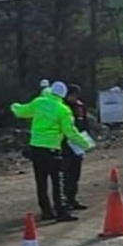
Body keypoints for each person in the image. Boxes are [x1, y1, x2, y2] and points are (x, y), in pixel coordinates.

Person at [11, 81, 91, 222]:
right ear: (63, 94)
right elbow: (70, 133)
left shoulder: (38, 102)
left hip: (36, 147)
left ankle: (46, 212)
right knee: (57, 181)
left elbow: (20, 112)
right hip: (52, 149)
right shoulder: (63, 110)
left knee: (41, 182)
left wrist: (14, 105)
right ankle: (61, 212)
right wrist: (85, 144)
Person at [62, 84, 89, 210]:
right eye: (72, 95)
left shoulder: (80, 106)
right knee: (66, 174)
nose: (74, 97)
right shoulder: (63, 107)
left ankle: (72, 199)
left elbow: (84, 124)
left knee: (75, 173)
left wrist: (86, 140)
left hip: (77, 143)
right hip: (65, 144)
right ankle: (65, 200)